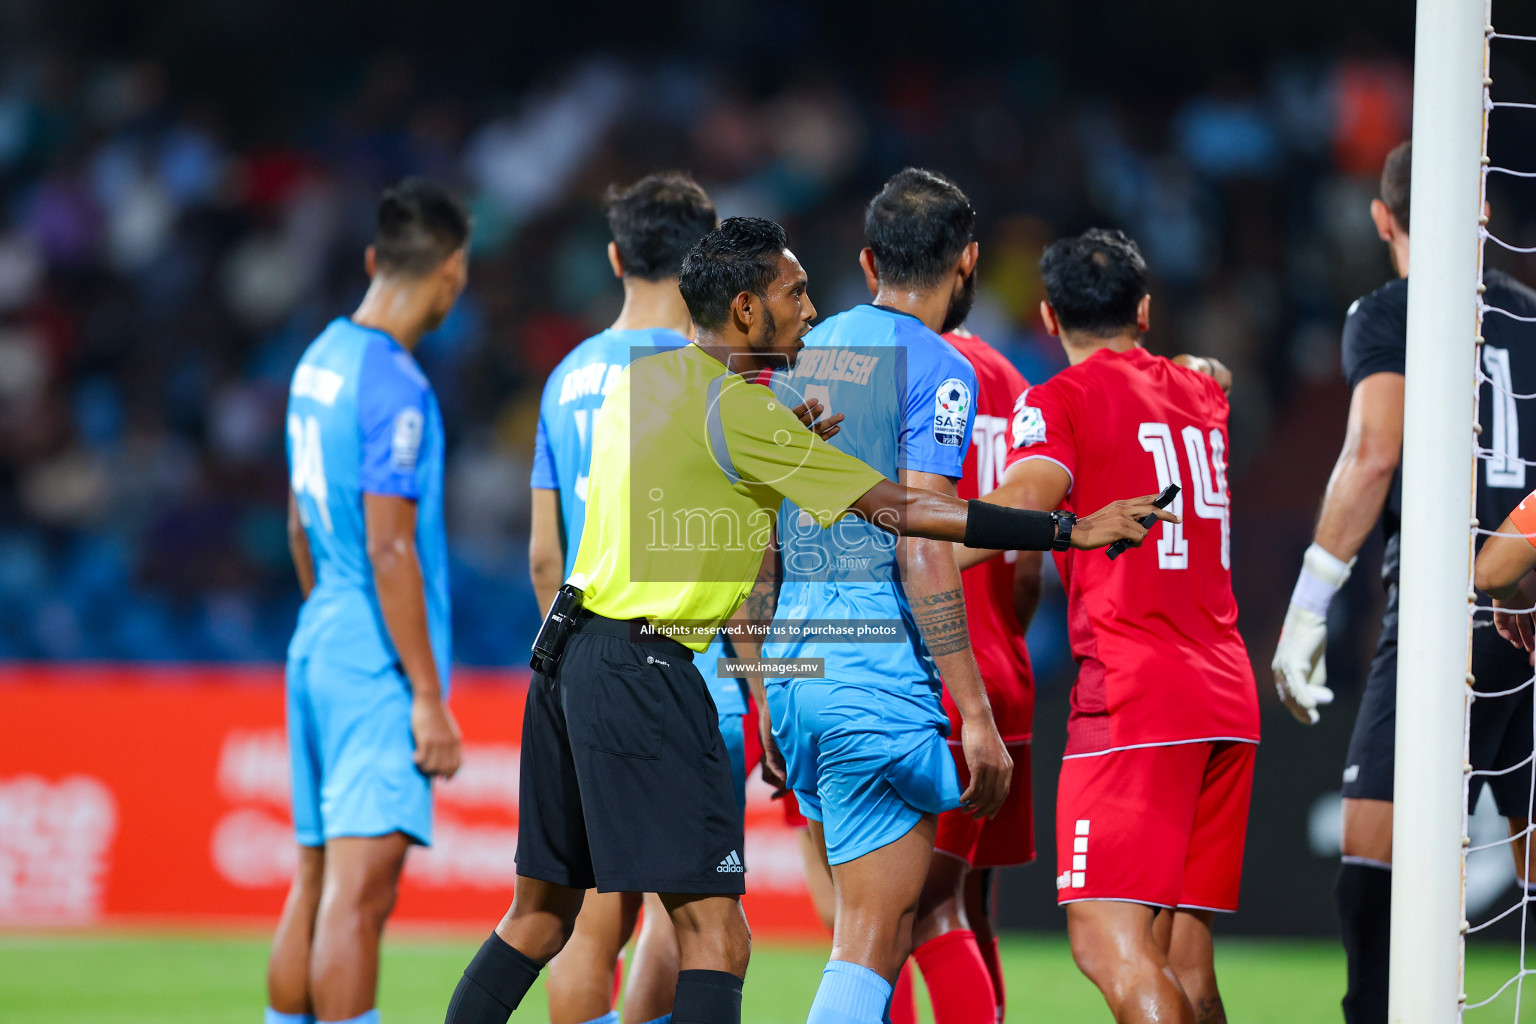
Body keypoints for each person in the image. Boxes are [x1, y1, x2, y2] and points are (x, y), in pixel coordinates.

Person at [443, 215, 1175, 1024]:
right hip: (647, 673)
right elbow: (906, 511)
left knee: (540, 919)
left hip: (568, 658)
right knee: (718, 940)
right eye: (795, 292)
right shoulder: (744, 416)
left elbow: (715, 509)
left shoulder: (647, 383)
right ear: (748, 311)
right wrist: (1069, 528)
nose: (813, 310)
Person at [1270, 140, 1536, 1024]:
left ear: (1383, 219)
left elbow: (1372, 449)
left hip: (1444, 610)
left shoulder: (1392, 310)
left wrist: (1311, 600)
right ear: (1485, 211)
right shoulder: (1532, 317)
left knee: (1371, 865)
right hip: (1530, 607)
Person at [743, 168, 1016, 1024]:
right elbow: (923, 545)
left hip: (797, 669)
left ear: (868, 262)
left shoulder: (801, 355)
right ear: (967, 261)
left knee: (868, 933)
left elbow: (762, 549)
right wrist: (974, 711)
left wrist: (764, 689)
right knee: (879, 931)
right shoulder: (940, 366)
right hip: (873, 677)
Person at [980, 228, 1258, 1024]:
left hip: (1135, 697)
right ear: (1144, 309)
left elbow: (1022, 501)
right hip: (1224, 694)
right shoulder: (1202, 394)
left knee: (1107, 943)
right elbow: (1214, 374)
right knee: (1182, 960)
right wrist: (1203, 367)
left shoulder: (1059, 401)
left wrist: (909, 537)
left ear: (1045, 316)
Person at [528, 172, 759, 1024]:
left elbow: (545, 554)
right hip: (694, 674)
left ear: (616, 256)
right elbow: (738, 555)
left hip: (590, 664)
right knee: (697, 914)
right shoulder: (707, 373)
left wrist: (565, 674)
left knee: (591, 921)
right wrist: (760, 681)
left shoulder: (565, 379)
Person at [267, 179, 470, 1024]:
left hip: (317, 638)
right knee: (359, 900)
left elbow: (297, 525)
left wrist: (330, 614)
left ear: (371, 261)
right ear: (452, 274)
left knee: (315, 881)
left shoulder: (318, 359)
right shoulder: (396, 384)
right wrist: (425, 694)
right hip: (370, 655)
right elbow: (391, 547)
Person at [885, 326, 1042, 1024]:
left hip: (913, 672)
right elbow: (1031, 565)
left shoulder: (873, 364)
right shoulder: (1013, 382)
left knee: (897, 912)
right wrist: (1004, 638)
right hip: (1002, 670)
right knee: (970, 902)